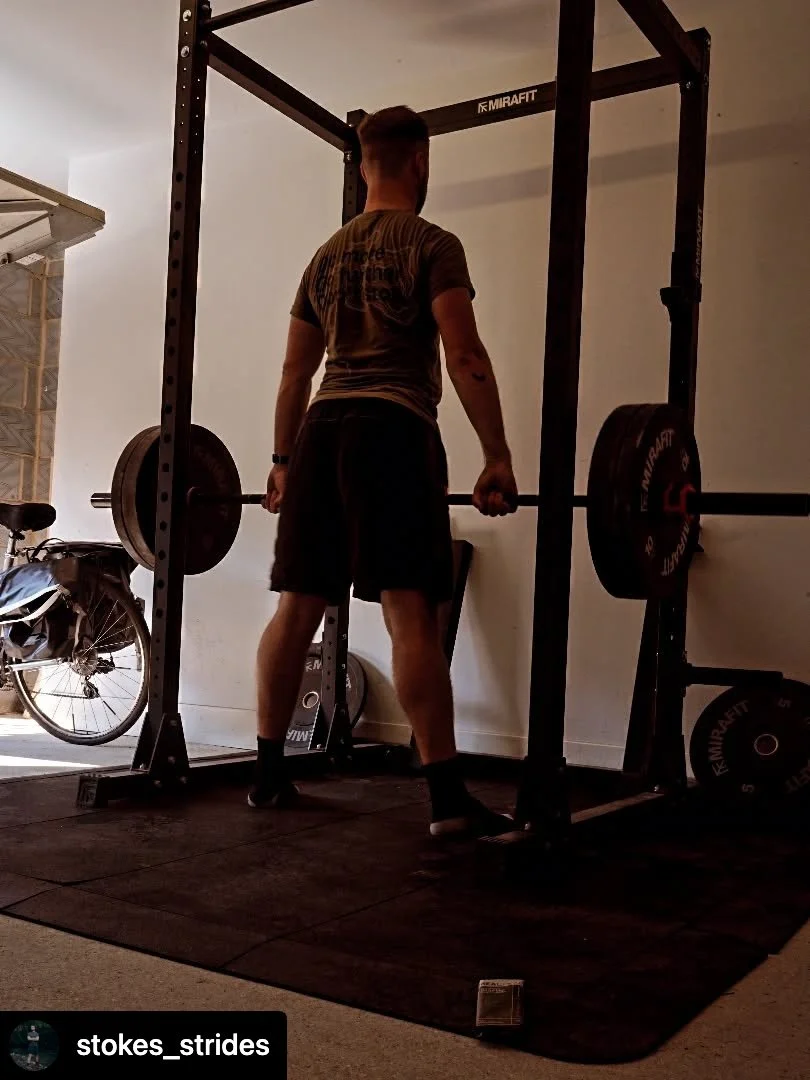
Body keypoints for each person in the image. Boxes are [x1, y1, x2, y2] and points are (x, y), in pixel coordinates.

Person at [251, 105, 519, 838]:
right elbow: (465, 355)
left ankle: (269, 774)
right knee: (409, 613)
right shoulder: (433, 242)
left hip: (321, 432)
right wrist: (496, 455)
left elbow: (292, 374)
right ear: (421, 162)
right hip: (394, 430)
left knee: (296, 606)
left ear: (364, 165)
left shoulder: (324, 256)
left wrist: (282, 462)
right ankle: (445, 799)